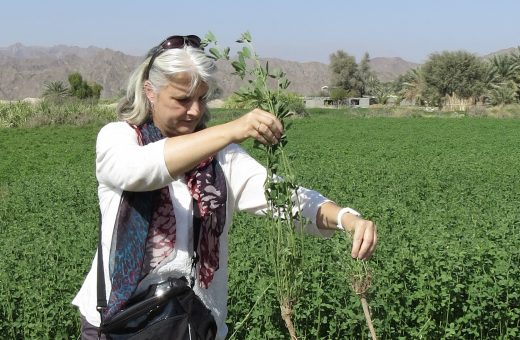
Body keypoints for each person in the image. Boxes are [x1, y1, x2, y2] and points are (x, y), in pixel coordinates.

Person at [72, 34, 377, 339]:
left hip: (194, 323)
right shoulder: (119, 138)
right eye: (181, 100)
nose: (194, 111)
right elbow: (139, 171)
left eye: (201, 98)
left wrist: (346, 219)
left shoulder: (220, 157)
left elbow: (284, 198)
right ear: (149, 91)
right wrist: (232, 129)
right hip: (119, 324)